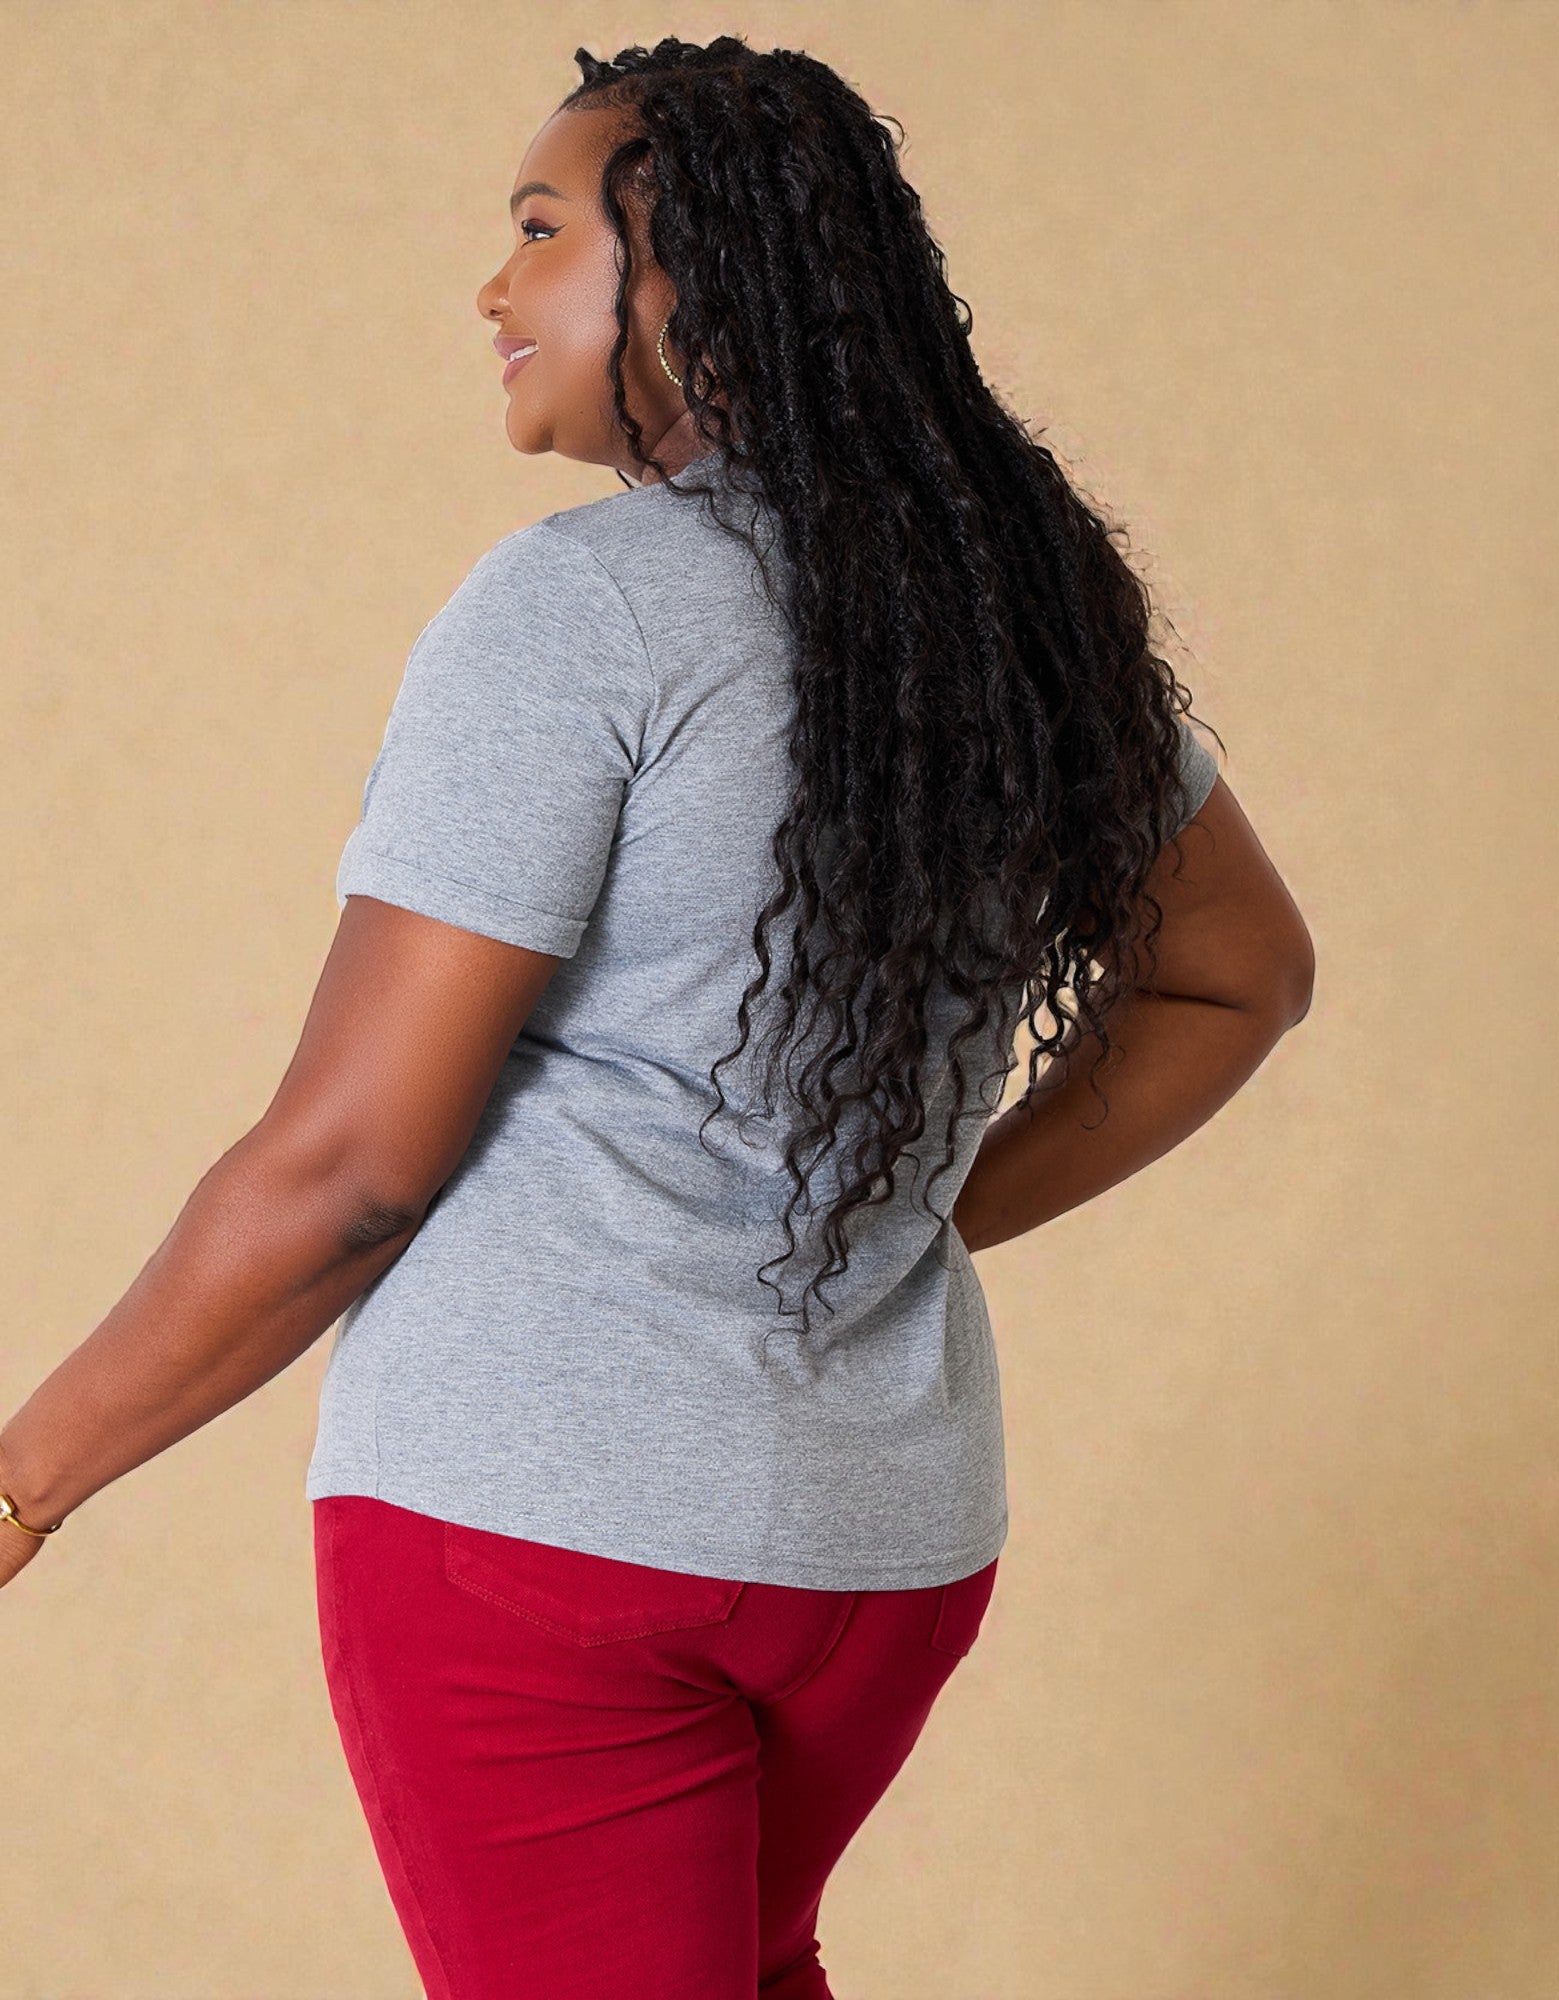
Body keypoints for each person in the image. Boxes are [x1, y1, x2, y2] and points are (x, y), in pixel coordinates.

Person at [0, 33, 1316, 2000]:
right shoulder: (1011, 619)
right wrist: (904, 1203)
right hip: (880, 1552)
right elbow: (1238, 968)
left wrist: (26, 1475)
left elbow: (353, 1167)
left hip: (538, 1542)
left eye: (539, 231)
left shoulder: (585, 610)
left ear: (682, 276)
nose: (492, 288)